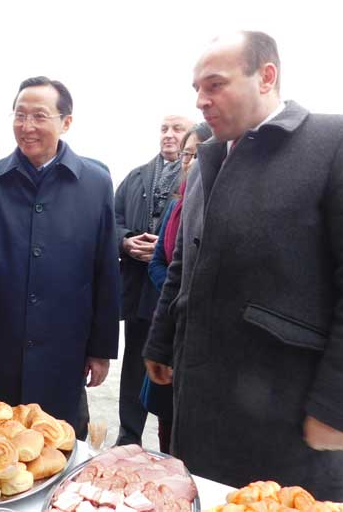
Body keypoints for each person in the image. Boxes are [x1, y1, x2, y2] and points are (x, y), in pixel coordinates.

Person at [143, 31, 343, 499]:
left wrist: (335, 405)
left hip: (286, 409)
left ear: (266, 76)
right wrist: (161, 341)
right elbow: (184, 262)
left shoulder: (330, 144)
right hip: (202, 401)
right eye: (197, 88)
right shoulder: (208, 159)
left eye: (215, 85)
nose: (201, 100)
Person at [0, 76, 120, 437]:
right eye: (20, 115)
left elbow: (105, 270)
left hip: (64, 347)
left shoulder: (95, 183)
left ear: (66, 122)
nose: (27, 126)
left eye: (39, 116)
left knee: (58, 444)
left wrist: (101, 349)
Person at [113, 114, 193, 446]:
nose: (169, 135)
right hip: (138, 292)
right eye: (164, 129)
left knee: (170, 372)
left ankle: (171, 445)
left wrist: (163, 249)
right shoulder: (135, 177)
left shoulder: (197, 177)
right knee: (134, 366)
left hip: (173, 296)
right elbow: (112, 220)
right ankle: (128, 438)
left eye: (177, 129)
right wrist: (125, 241)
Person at [142, 122, 212, 453]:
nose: (190, 162)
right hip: (171, 319)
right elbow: (160, 262)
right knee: (165, 421)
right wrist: (178, 291)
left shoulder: (223, 204)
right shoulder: (177, 204)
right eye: (187, 155)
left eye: (199, 154)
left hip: (201, 330)